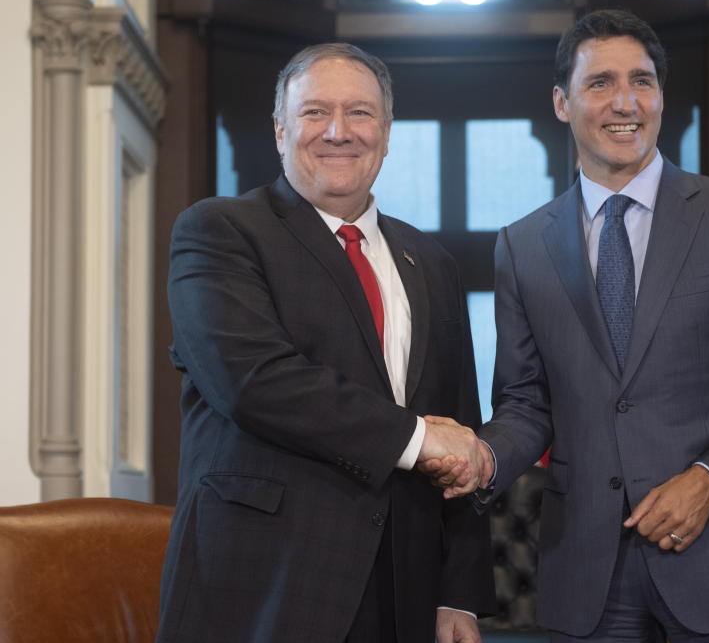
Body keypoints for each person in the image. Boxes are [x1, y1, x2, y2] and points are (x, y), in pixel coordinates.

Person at [428, 9, 709, 642]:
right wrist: (480, 456)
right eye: (601, 83)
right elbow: (526, 403)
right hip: (586, 578)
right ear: (562, 102)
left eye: (642, 81)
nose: (626, 102)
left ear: (661, 97)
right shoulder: (522, 245)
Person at [155, 43, 495, 643]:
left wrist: (460, 593)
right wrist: (417, 438)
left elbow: (459, 425)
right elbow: (254, 381)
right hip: (267, 582)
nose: (338, 132)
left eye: (360, 114)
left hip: (407, 589)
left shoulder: (432, 262)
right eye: (315, 113)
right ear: (281, 131)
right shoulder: (220, 231)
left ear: (387, 135)